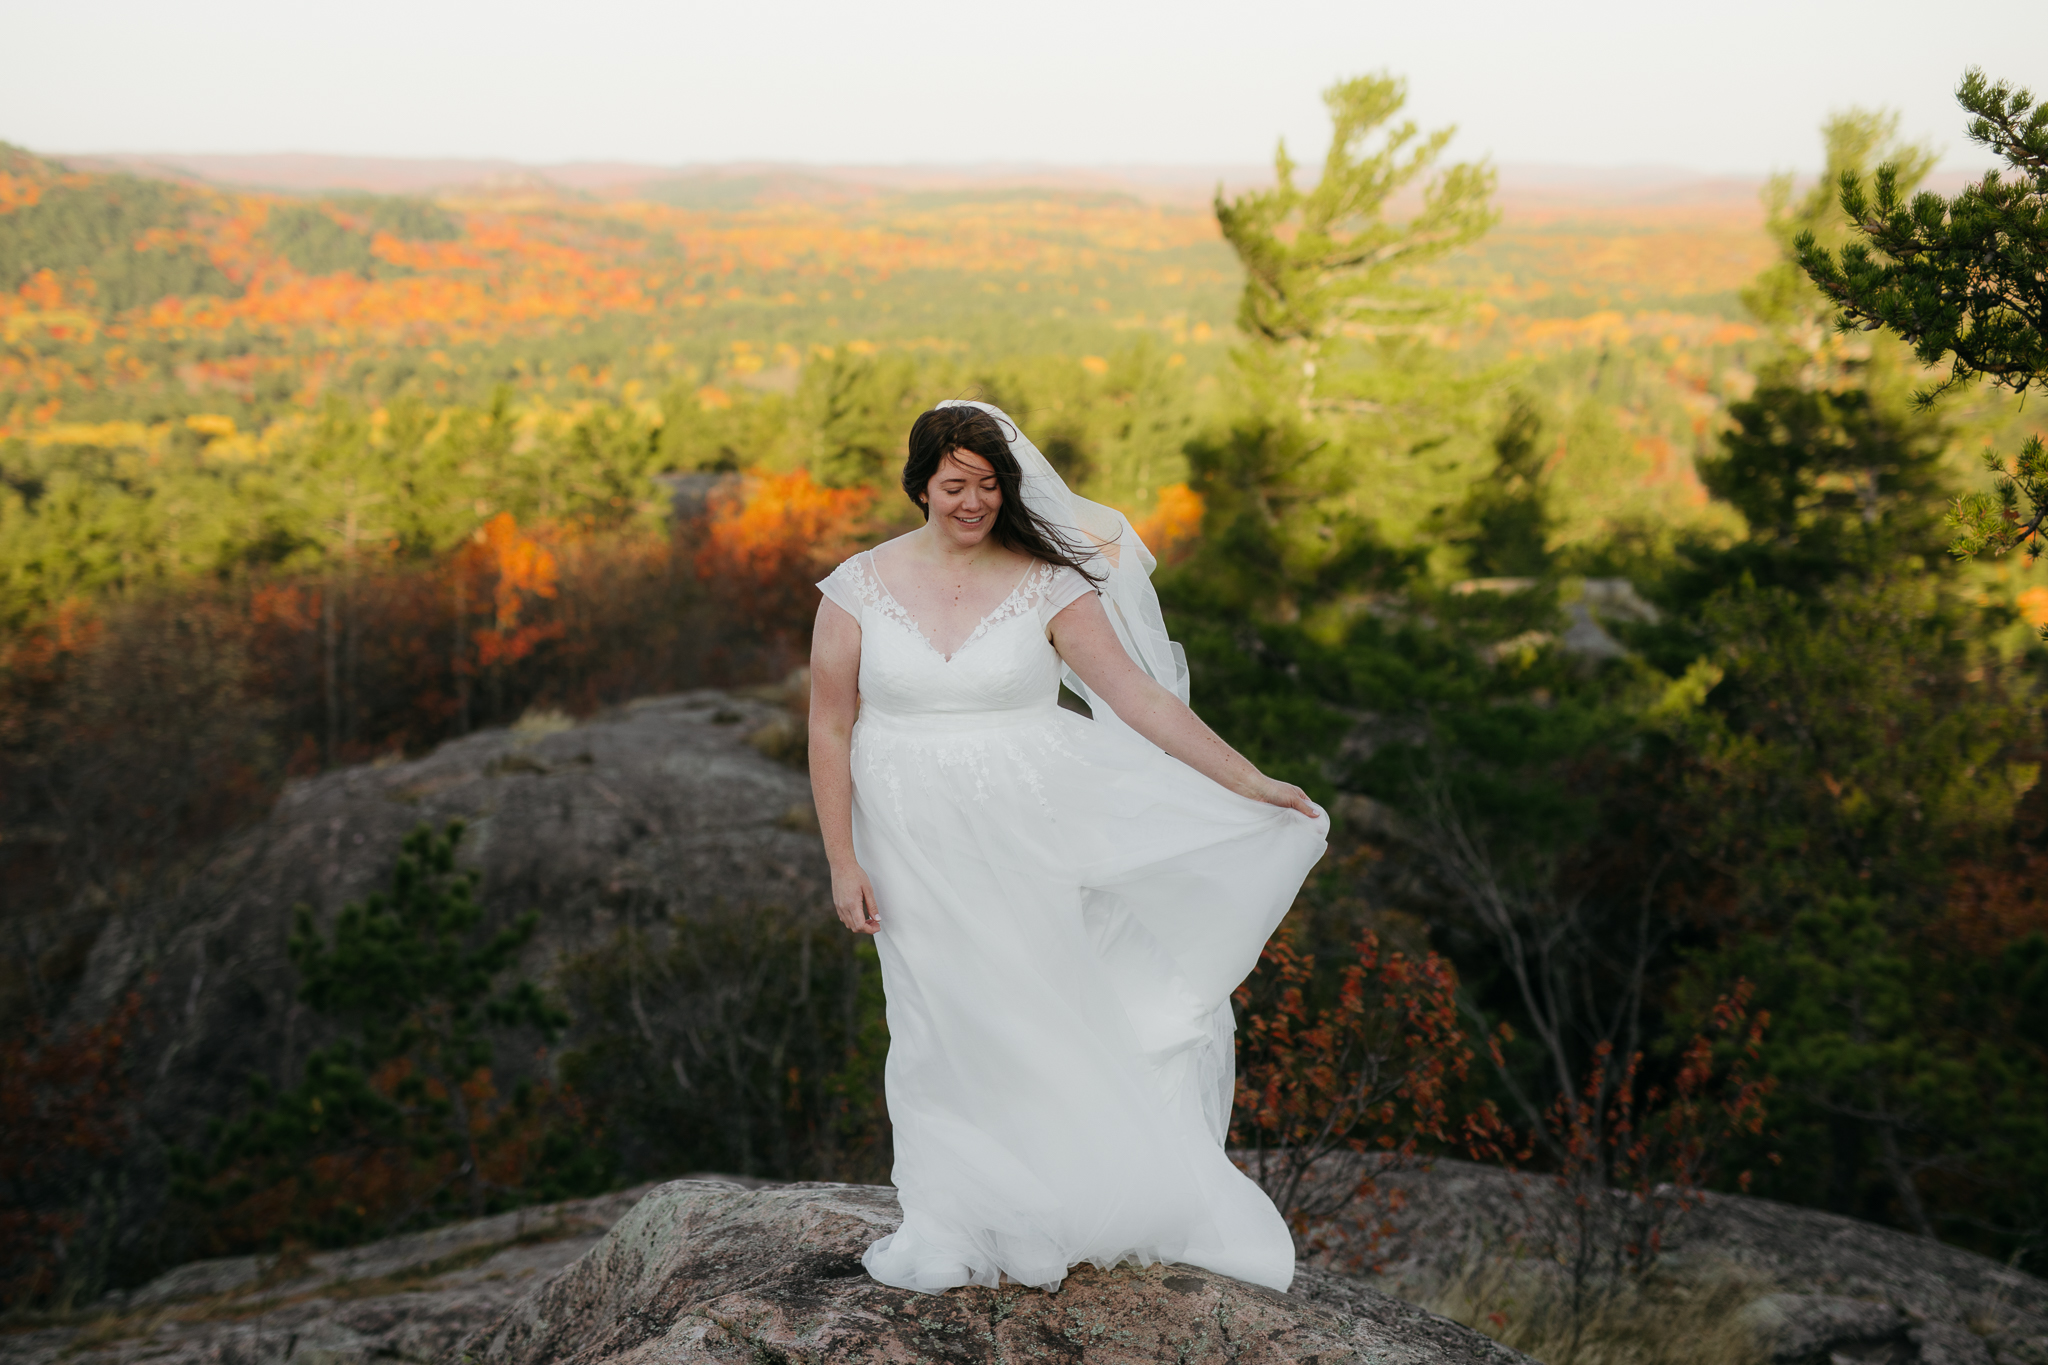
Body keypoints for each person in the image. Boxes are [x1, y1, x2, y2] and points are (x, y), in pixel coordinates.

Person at [808, 399, 1329, 1295]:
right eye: (955, 483)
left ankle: (1054, 1200)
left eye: (989, 484)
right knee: (933, 1020)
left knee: (1027, 1004)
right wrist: (841, 863)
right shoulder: (857, 584)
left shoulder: (1050, 584)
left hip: (1023, 828)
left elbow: (1142, 701)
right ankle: (950, 1218)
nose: (972, 501)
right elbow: (827, 724)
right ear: (922, 483)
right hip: (904, 835)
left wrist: (1250, 782)